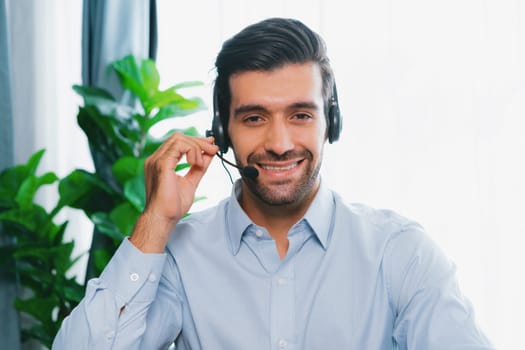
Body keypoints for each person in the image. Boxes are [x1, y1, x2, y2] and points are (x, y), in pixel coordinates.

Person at [53, 18, 494, 350]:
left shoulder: (399, 252)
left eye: (300, 115)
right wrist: (155, 222)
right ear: (221, 133)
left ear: (331, 123)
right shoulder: (179, 257)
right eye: (254, 118)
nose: (279, 144)